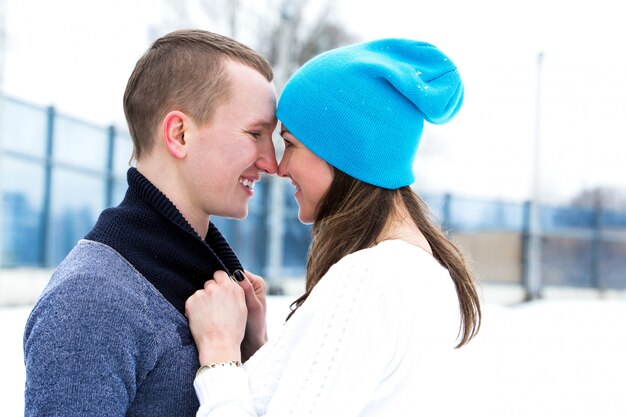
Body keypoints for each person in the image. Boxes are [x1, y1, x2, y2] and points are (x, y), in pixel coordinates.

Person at [185, 38, 483, 416]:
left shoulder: (367, 280)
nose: (279, 166)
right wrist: (260, 348)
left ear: (342, 152)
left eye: (290, 143)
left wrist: (219, 356)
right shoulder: (425, 272)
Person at [23, 29, 278, 416]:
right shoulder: (91, 301)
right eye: (255, 134)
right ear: (179, 134)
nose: (271, 162)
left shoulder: (215, 294)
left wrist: (253, 352)